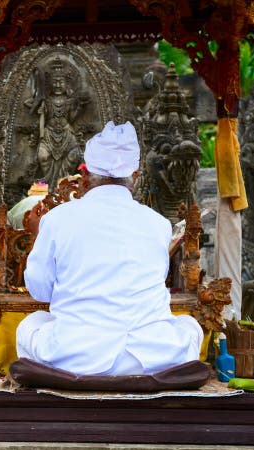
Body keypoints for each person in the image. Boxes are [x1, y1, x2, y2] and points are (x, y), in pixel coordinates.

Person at [16, 121, 203, 376]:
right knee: (188, 325)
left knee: (31, 324)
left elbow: (39, 291)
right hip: (152, 357)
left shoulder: (57, 219)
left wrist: (37, 236)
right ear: (135, 177)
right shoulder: (159, 225)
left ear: (87, 176)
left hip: (76, 357)